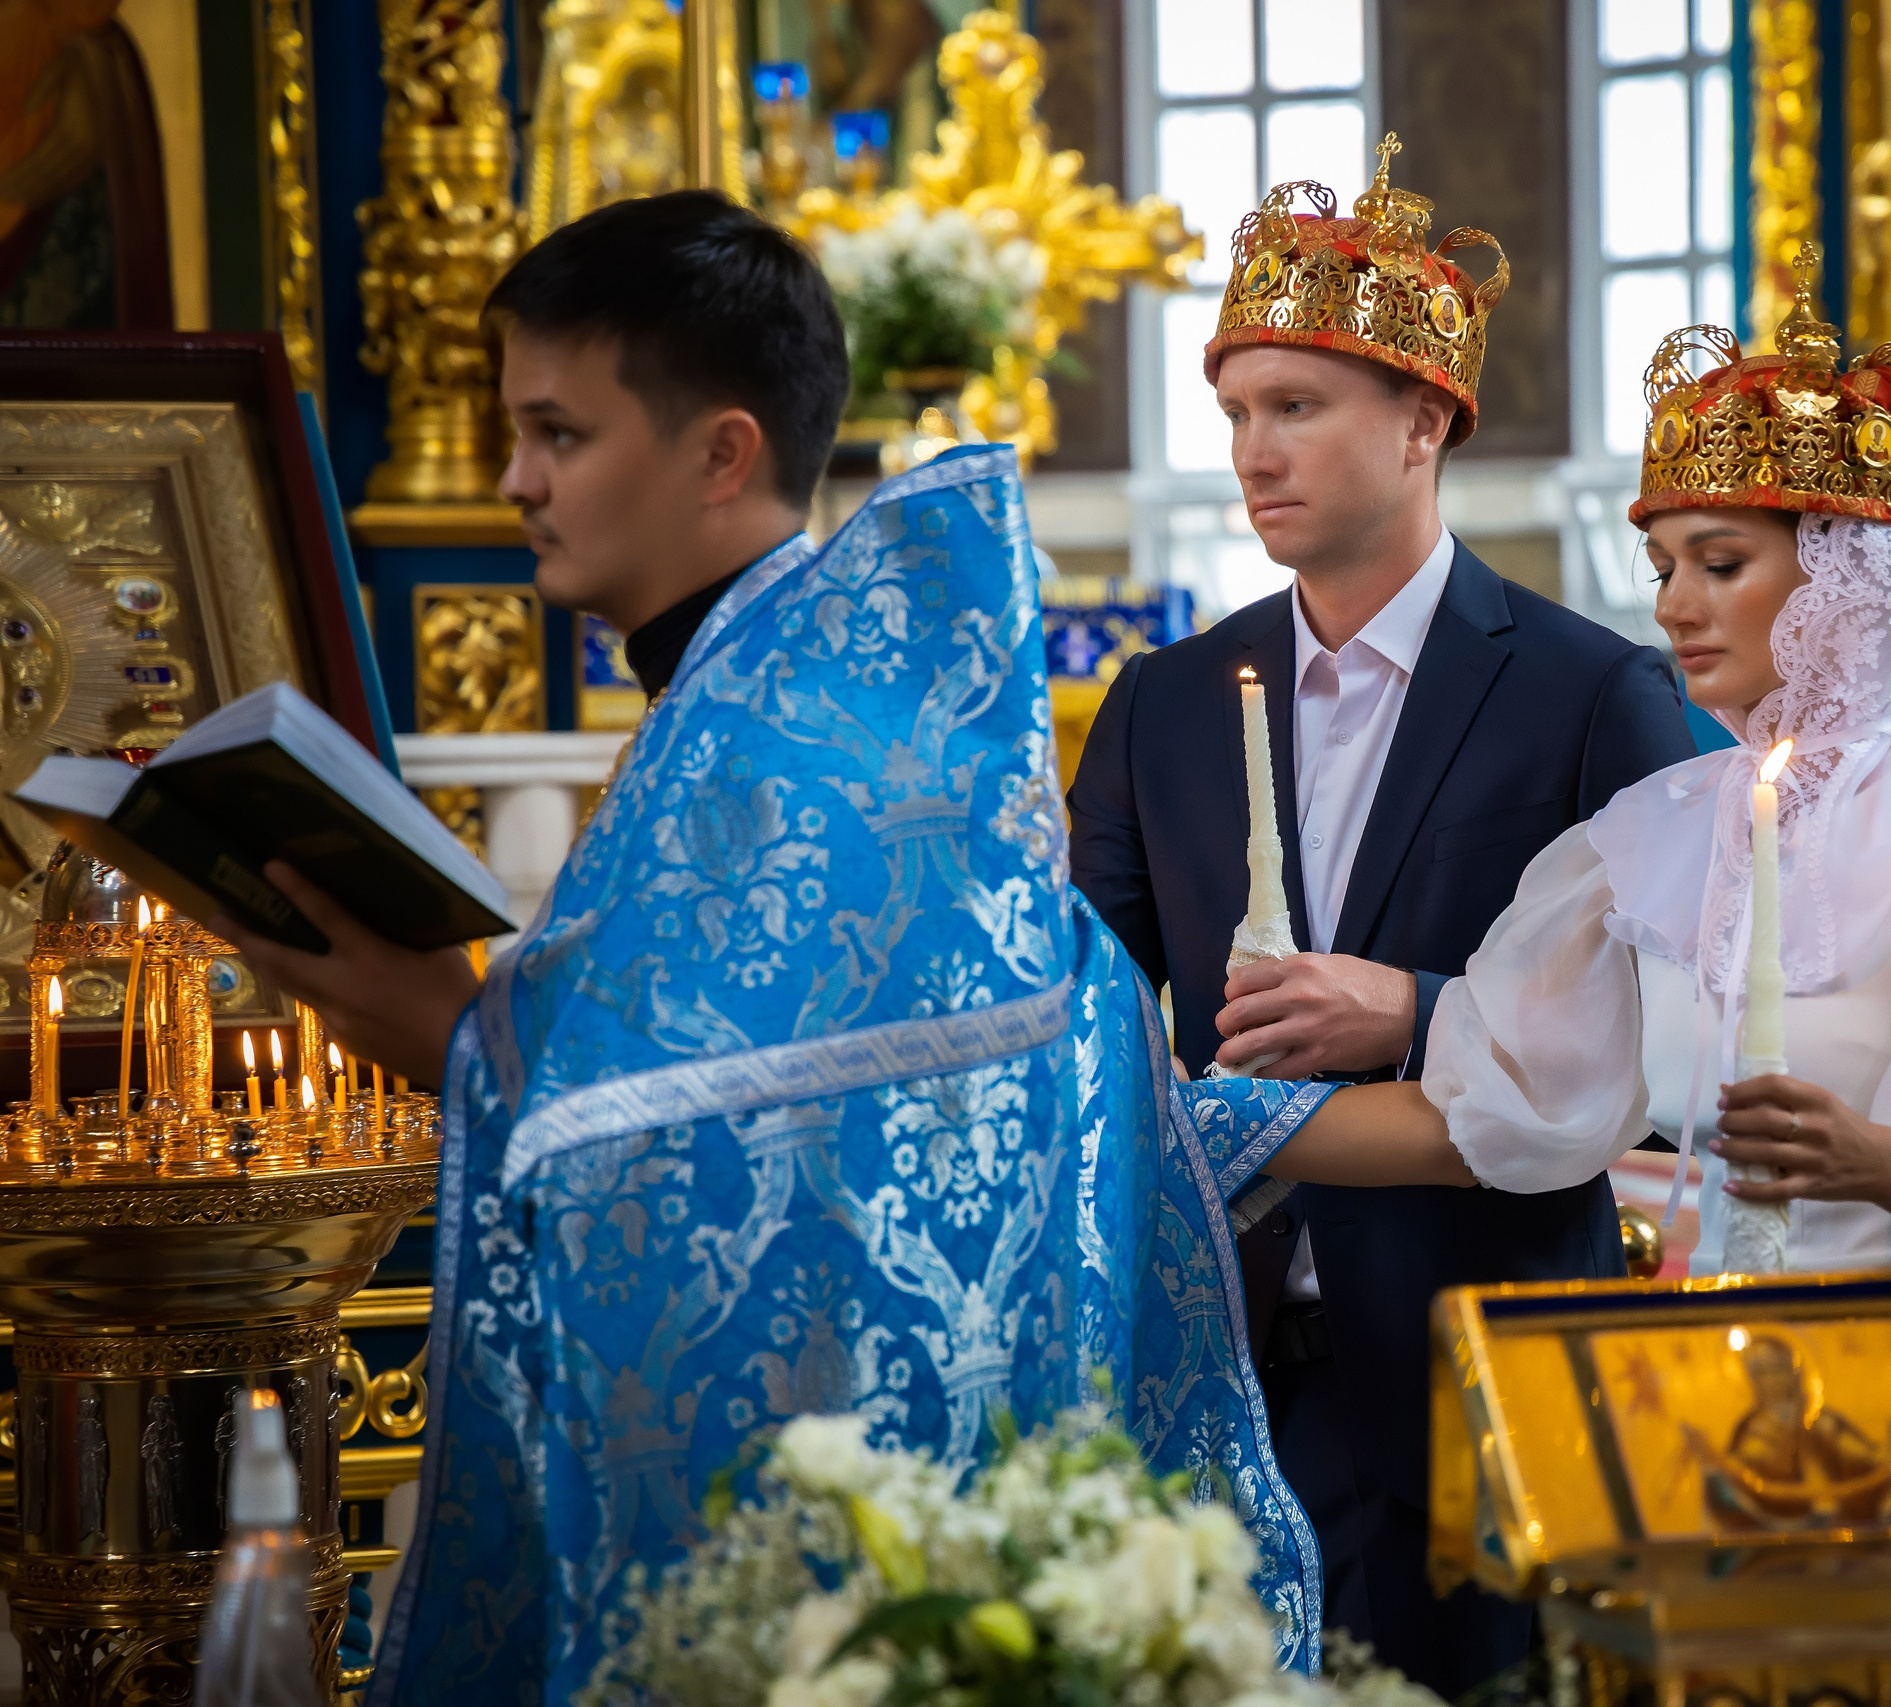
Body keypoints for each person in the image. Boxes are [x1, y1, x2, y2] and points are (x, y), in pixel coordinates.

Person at [216, 192, 1337, 1702]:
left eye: (559, 433)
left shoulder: (782, 753)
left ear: (721, 450)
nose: (513, 481)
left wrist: (452, 1034)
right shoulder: (791, 708)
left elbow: (699, 1149)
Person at [1254, 247, 1891, 1313]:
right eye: (1665, 569)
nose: (1675, 607)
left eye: (1720, 564)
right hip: (1727, 1369)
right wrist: (1203, 1129)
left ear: (1841, 574)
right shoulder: (1650, 840)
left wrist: (1883, 1165)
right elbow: (1479, 1112)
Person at [1068, 140, 1695, 1698]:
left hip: (1477, 1357)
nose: (1253, 452)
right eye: (1236, 414)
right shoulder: (1157, 705)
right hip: (1222, 1357)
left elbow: (1686, 1034)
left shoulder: (1589, 690)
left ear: (1424, 423)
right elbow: (1078, 998)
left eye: (1298, 407)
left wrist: (1410, 1002)